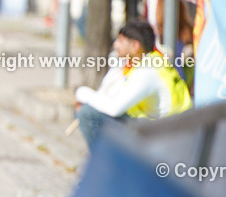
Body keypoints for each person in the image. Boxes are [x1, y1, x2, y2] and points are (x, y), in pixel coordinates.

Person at [74, 20, 191, 148]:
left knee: (87, 113)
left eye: (120, 40)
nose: (115, 44)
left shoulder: (146, 71)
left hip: (160, 134)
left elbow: (114, 108)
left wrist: (82, 93)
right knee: (92, 107)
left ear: (135, 46)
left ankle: (106, 159)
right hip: (169, 128)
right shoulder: (155, 62)